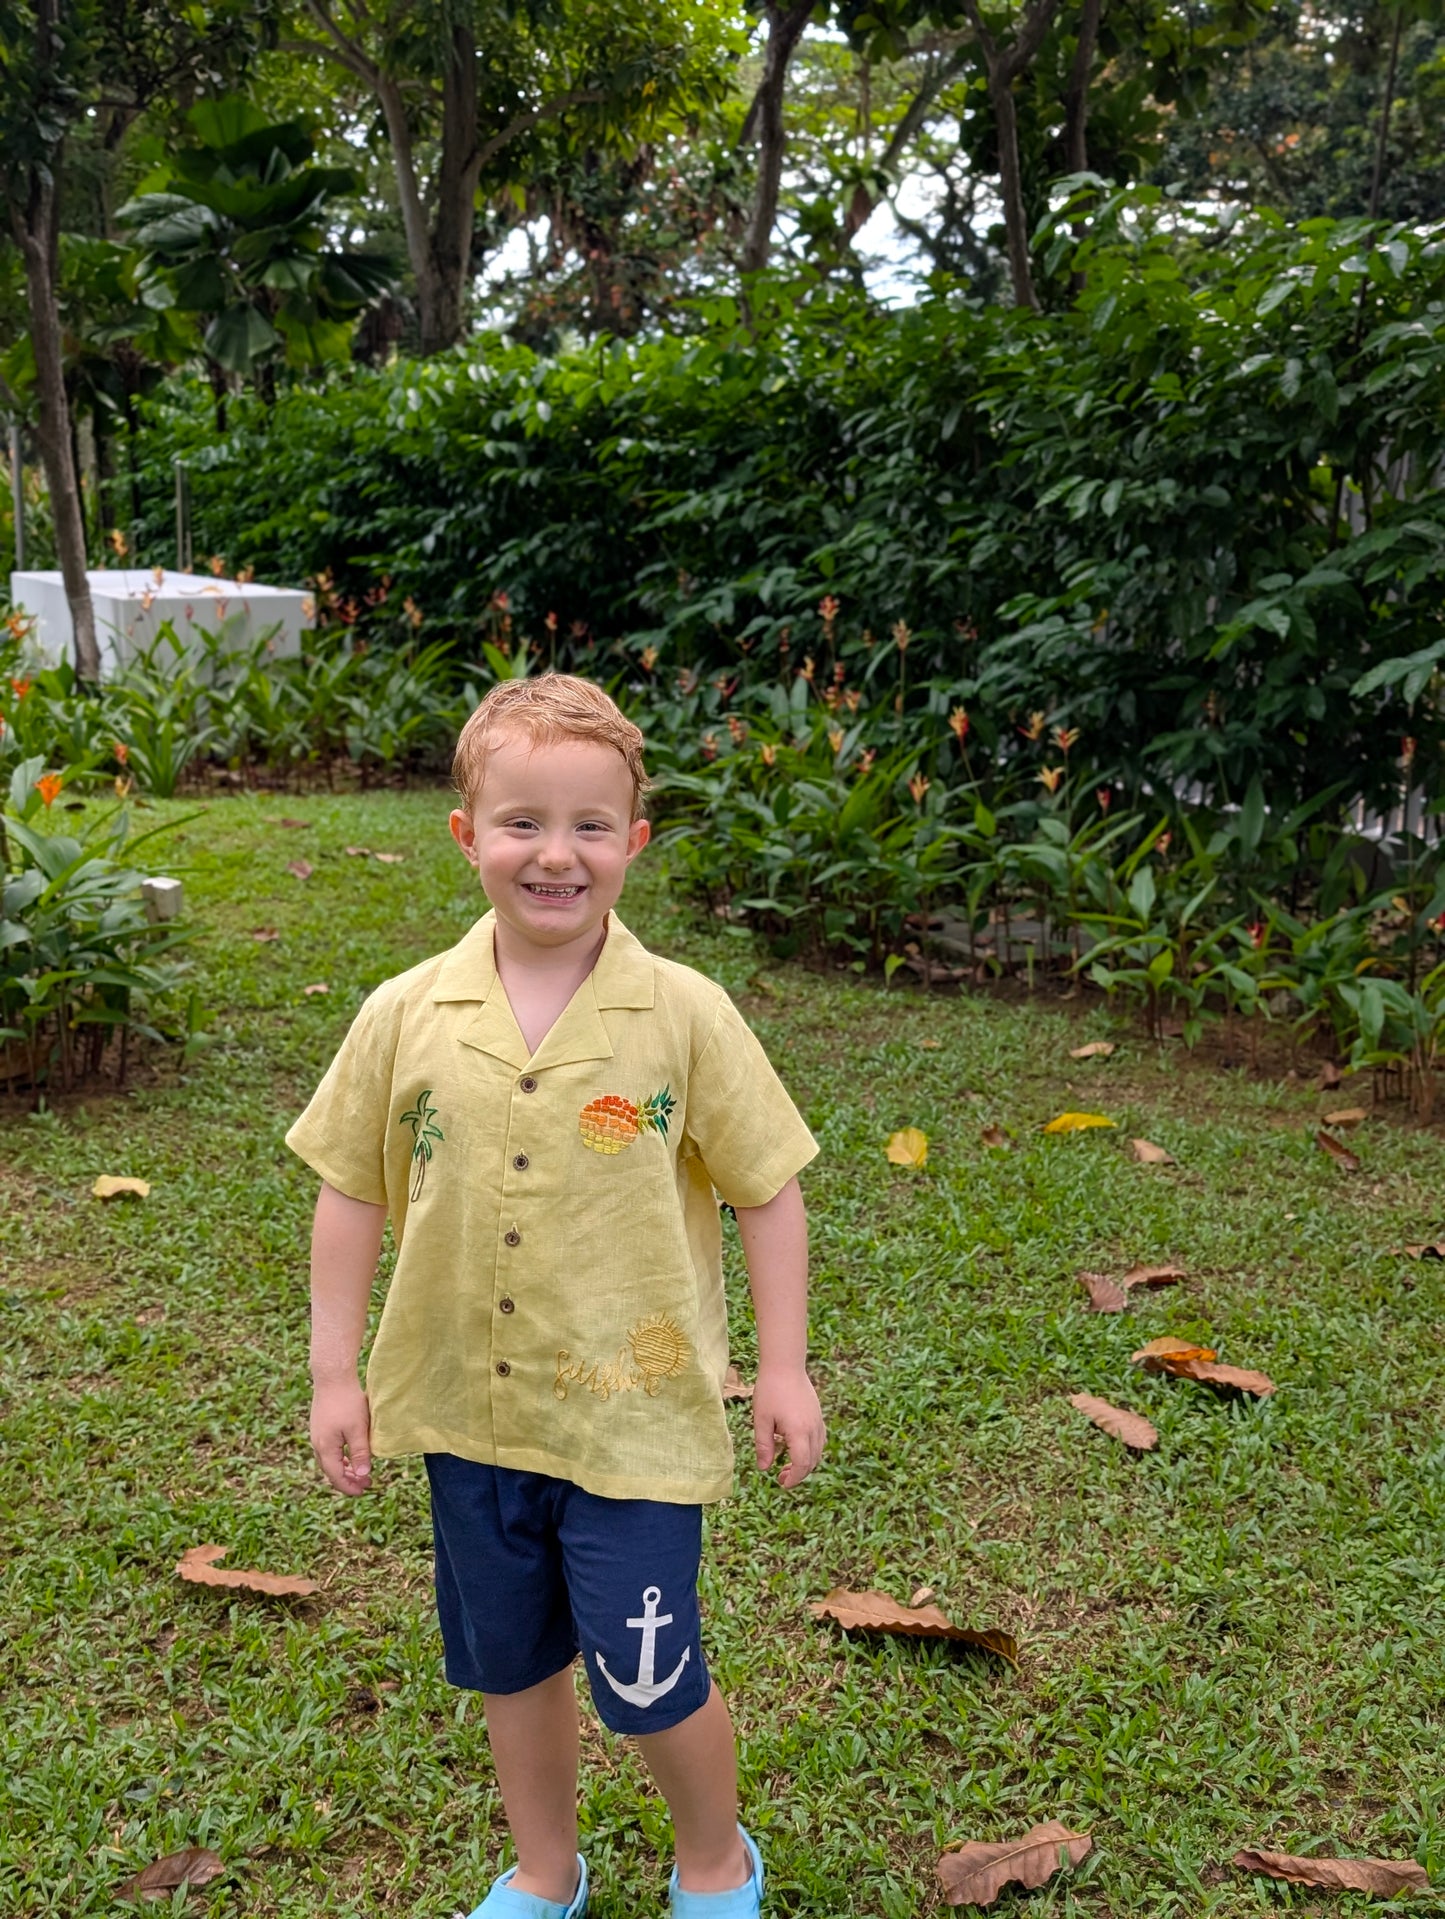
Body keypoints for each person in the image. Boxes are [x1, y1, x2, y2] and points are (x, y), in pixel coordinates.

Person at [288, 674, 824, 1919]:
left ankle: (712, 1860)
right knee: (511, 1664)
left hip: (629, 1422)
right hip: (463, 1411)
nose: (555, 853)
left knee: (649, 1674)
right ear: (466, 832)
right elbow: (351, 1194)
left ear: (633, 842)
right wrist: (333, 1371)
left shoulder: (684, 1013)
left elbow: (768, 1189)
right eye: (521, 820)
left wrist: (784, 1364)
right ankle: (543, 1870)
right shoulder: (404, 1011)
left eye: (590, 825)